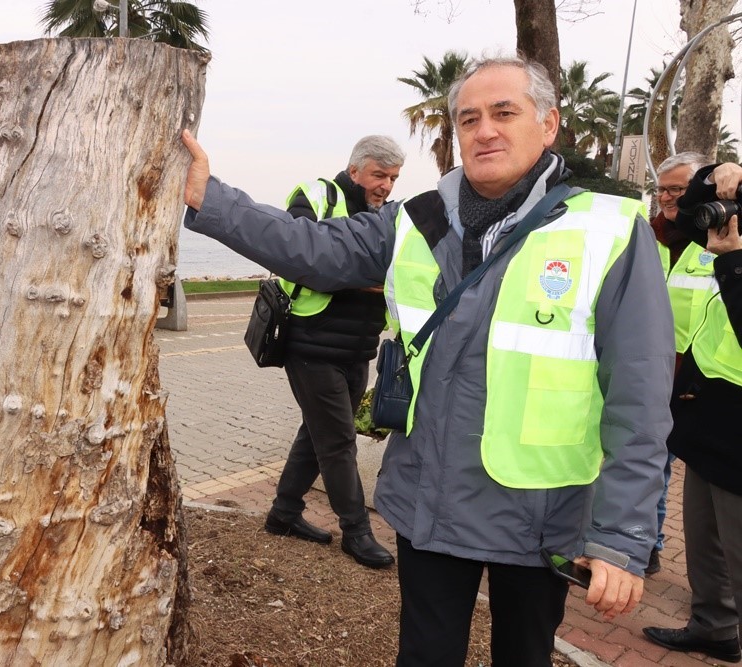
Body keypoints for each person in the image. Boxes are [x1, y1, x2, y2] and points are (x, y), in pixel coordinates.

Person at [181, 55, 672, 667]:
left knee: (524, 656)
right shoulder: (417, 218)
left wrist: (622, 537)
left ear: (548, 125)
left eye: (503, 113)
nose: (484, 130)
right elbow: (315, 249)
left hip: (542, 513)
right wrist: (210, 198)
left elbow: (640, 399)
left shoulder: (609, 229)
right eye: (468, 118)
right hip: (430, 501)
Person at [264, 136, 403, 569]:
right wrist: (374, 278)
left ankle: (284, 513)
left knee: (318, 431)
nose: (386, 186)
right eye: (380, 175)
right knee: (339, 440)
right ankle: (356, 531)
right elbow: (303, 260)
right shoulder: (318, 197)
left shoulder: (388, 217)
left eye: (394, 178)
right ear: (356, 169)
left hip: (357, 348)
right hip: (311, 345)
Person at [642, 162, 742, 663]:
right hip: (709, 411)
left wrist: (734, 262)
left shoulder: (730, 257)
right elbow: (685, 212)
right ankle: (714, 625)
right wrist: (721, 173)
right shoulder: (714, 238)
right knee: (704, 537)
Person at [647, 151, 714, 576]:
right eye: (663, 188)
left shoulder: (720, 238)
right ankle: (646, 546)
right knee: (650, 463)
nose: (667, 197)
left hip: (696, 378)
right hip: (649, 369)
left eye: (678, 189)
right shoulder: (646, 234)